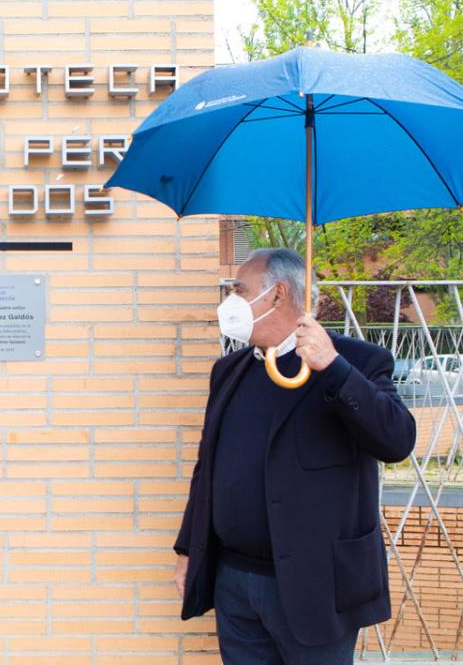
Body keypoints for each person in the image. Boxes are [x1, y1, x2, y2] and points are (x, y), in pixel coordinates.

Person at [173, 248, 416, 664]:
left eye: (239, 289)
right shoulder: (229, 371)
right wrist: (188, 552)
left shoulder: (356, 361)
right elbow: (207, 468)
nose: (230, 300)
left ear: (278, 294)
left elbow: (396, 442)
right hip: (234, 581)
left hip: (315, 584)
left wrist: (333, 367)